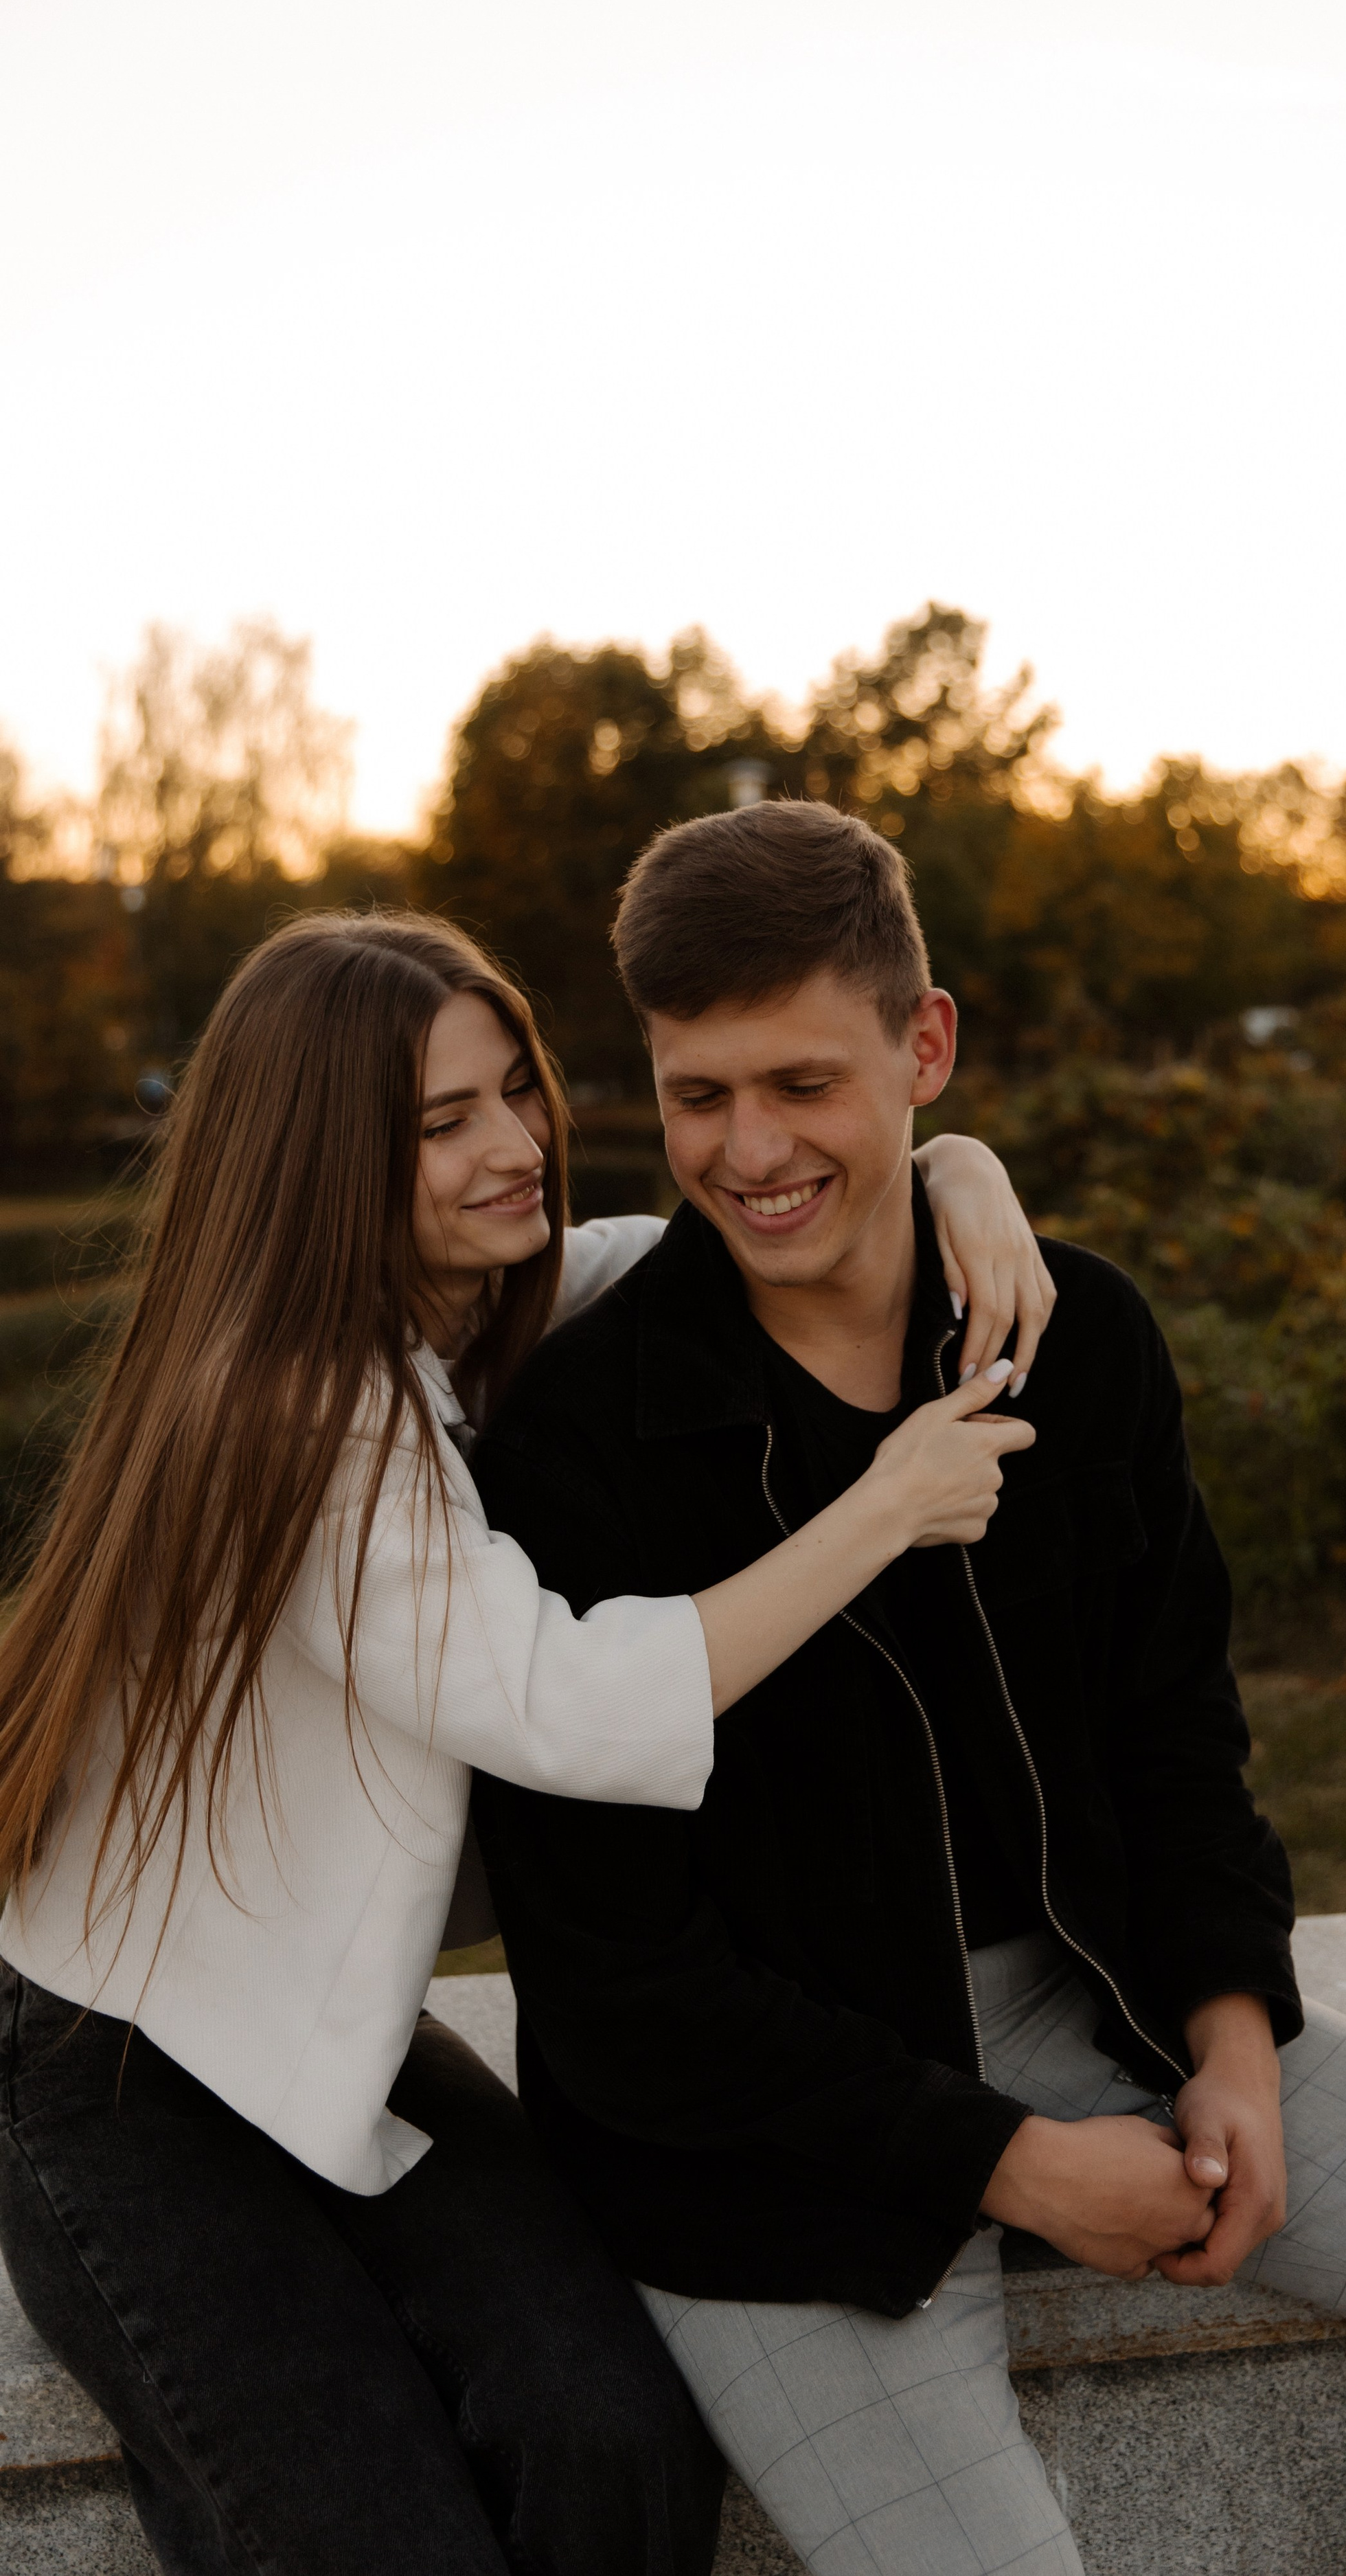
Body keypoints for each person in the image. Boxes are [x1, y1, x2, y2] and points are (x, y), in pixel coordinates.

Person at [472, 803, 1346, 2576]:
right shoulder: (581, 1444)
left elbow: (1177, 1735)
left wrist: (1233, 2035)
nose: (748, 1153)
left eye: (803, 1084)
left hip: (1086, 2002)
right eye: (695, 1095)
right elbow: (618, 1999)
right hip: (763, 2150)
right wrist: (1014, 2164)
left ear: (927, 1048)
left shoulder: (1082, 1341)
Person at [0, 909, 1051, 2576]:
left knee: (615, 2439)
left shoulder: (459, 1312)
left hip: (330, 2038)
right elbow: (559, 1702)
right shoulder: (292, 1408)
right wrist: (881, 1510)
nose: (516, 1147)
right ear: (324, 1156)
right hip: (127, 2070)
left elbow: (694, 1240)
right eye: (442, 1124)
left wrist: (953, 1170)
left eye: (514, 1093)